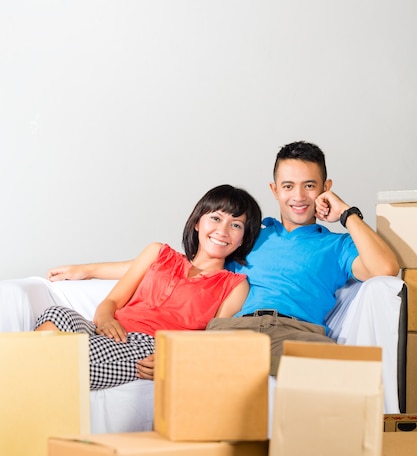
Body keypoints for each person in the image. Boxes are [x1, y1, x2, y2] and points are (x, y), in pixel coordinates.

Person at [49, 141, 399, 379]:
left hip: (296, 332)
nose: (299, 196)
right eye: (288, 186)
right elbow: (174, 263)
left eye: (310, 186)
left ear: (326, 187)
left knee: (342, 372)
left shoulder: (337, 246)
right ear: (274, 190)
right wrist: (87, 270)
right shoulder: (249, 235)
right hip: (234, 330)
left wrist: (347, 213)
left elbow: (386, 269)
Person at [34, 184, 262, 389]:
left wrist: (175, 358)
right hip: (109, 330)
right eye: (215, 218)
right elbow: (112, 302)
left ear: (243, 238)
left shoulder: (233, 285)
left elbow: (214, 339)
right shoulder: (158, 254)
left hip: (151, 348)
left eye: (235, 225)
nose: (222, 231)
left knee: (67, 359)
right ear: (196, 223)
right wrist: (105, 320)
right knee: (56, 315)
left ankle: (22, 377)